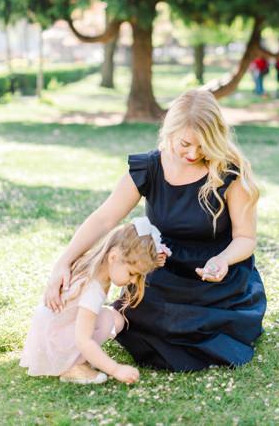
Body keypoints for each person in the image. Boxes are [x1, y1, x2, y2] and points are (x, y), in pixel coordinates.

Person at [43, 89, 266, 371]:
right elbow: (103, 219)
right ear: (169, 131)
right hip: (162, 268)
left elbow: (245, 238)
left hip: (217, 280)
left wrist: (222, 260)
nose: (194, 153)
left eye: (203, 146)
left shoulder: (229, 174)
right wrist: (64, 261)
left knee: (206, 333)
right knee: (139, 314)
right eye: (185, 143)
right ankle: (76, 346)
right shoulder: (149, 167)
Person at [21, 218, 164, 384]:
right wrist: (115, 369)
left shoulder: (93, 264)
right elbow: (84, 340)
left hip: (49, 330)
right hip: (54, 344)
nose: (133, 281)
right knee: (110, 320)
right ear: (113, 257)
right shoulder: (93, 289)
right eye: (132, 273)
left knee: (115, 318)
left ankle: (76, 359)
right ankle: (73, 366)